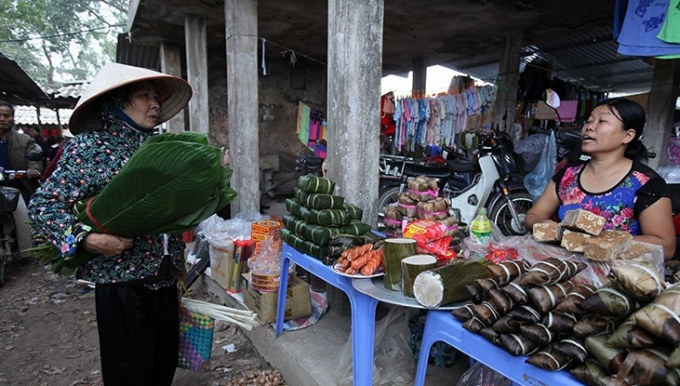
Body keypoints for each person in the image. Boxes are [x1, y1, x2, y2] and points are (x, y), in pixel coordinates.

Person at [28, 63, 193, 386]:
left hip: (163, 281)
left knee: (162, 368)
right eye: (143, 96)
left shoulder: (160, 148)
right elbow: (43, 206)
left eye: (156, 96)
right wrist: (88, 240)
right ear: (117, 104)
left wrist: (177, 258)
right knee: (129, 374)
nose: (155, 103)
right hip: (122, 288)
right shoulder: (89, 149)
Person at [525, 98, 676, 260]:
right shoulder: (567, 177)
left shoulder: (645, 183)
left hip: (616, 278)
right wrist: (553, 229)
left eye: (602, 121)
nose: (589, 127)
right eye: (589, 121)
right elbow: (533, 217)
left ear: (627, 135)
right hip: (566, 271)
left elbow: (665, 247)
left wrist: (600, 242)